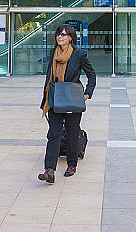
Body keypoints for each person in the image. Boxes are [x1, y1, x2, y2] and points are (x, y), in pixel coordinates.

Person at [38, 23, 96, 183]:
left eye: (63, 35)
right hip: (55, 97)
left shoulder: (79, 54)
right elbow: (49, 75)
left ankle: (72, 164)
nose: (60, 37)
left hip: (71, 97)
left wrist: (87, 94)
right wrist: (45, 98)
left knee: (72, 132)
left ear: (71, 38)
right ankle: (49, 170)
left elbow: (91, 74)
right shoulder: (53, 52)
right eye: (58, 34)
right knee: (54, 134)